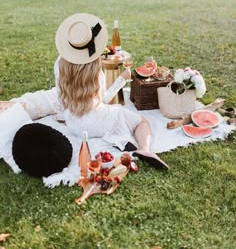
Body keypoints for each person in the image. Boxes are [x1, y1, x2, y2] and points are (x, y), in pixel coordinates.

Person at [54, 13, 169, 170]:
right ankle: (144, 149)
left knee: (116, 116)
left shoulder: (59, 64)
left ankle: (119, 138)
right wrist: (121, 78)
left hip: (73, 126)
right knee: (141, 121)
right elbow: (104, 100)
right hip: (97, 123)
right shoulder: (95, 70)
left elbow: (61, 97)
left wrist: (65, 116)